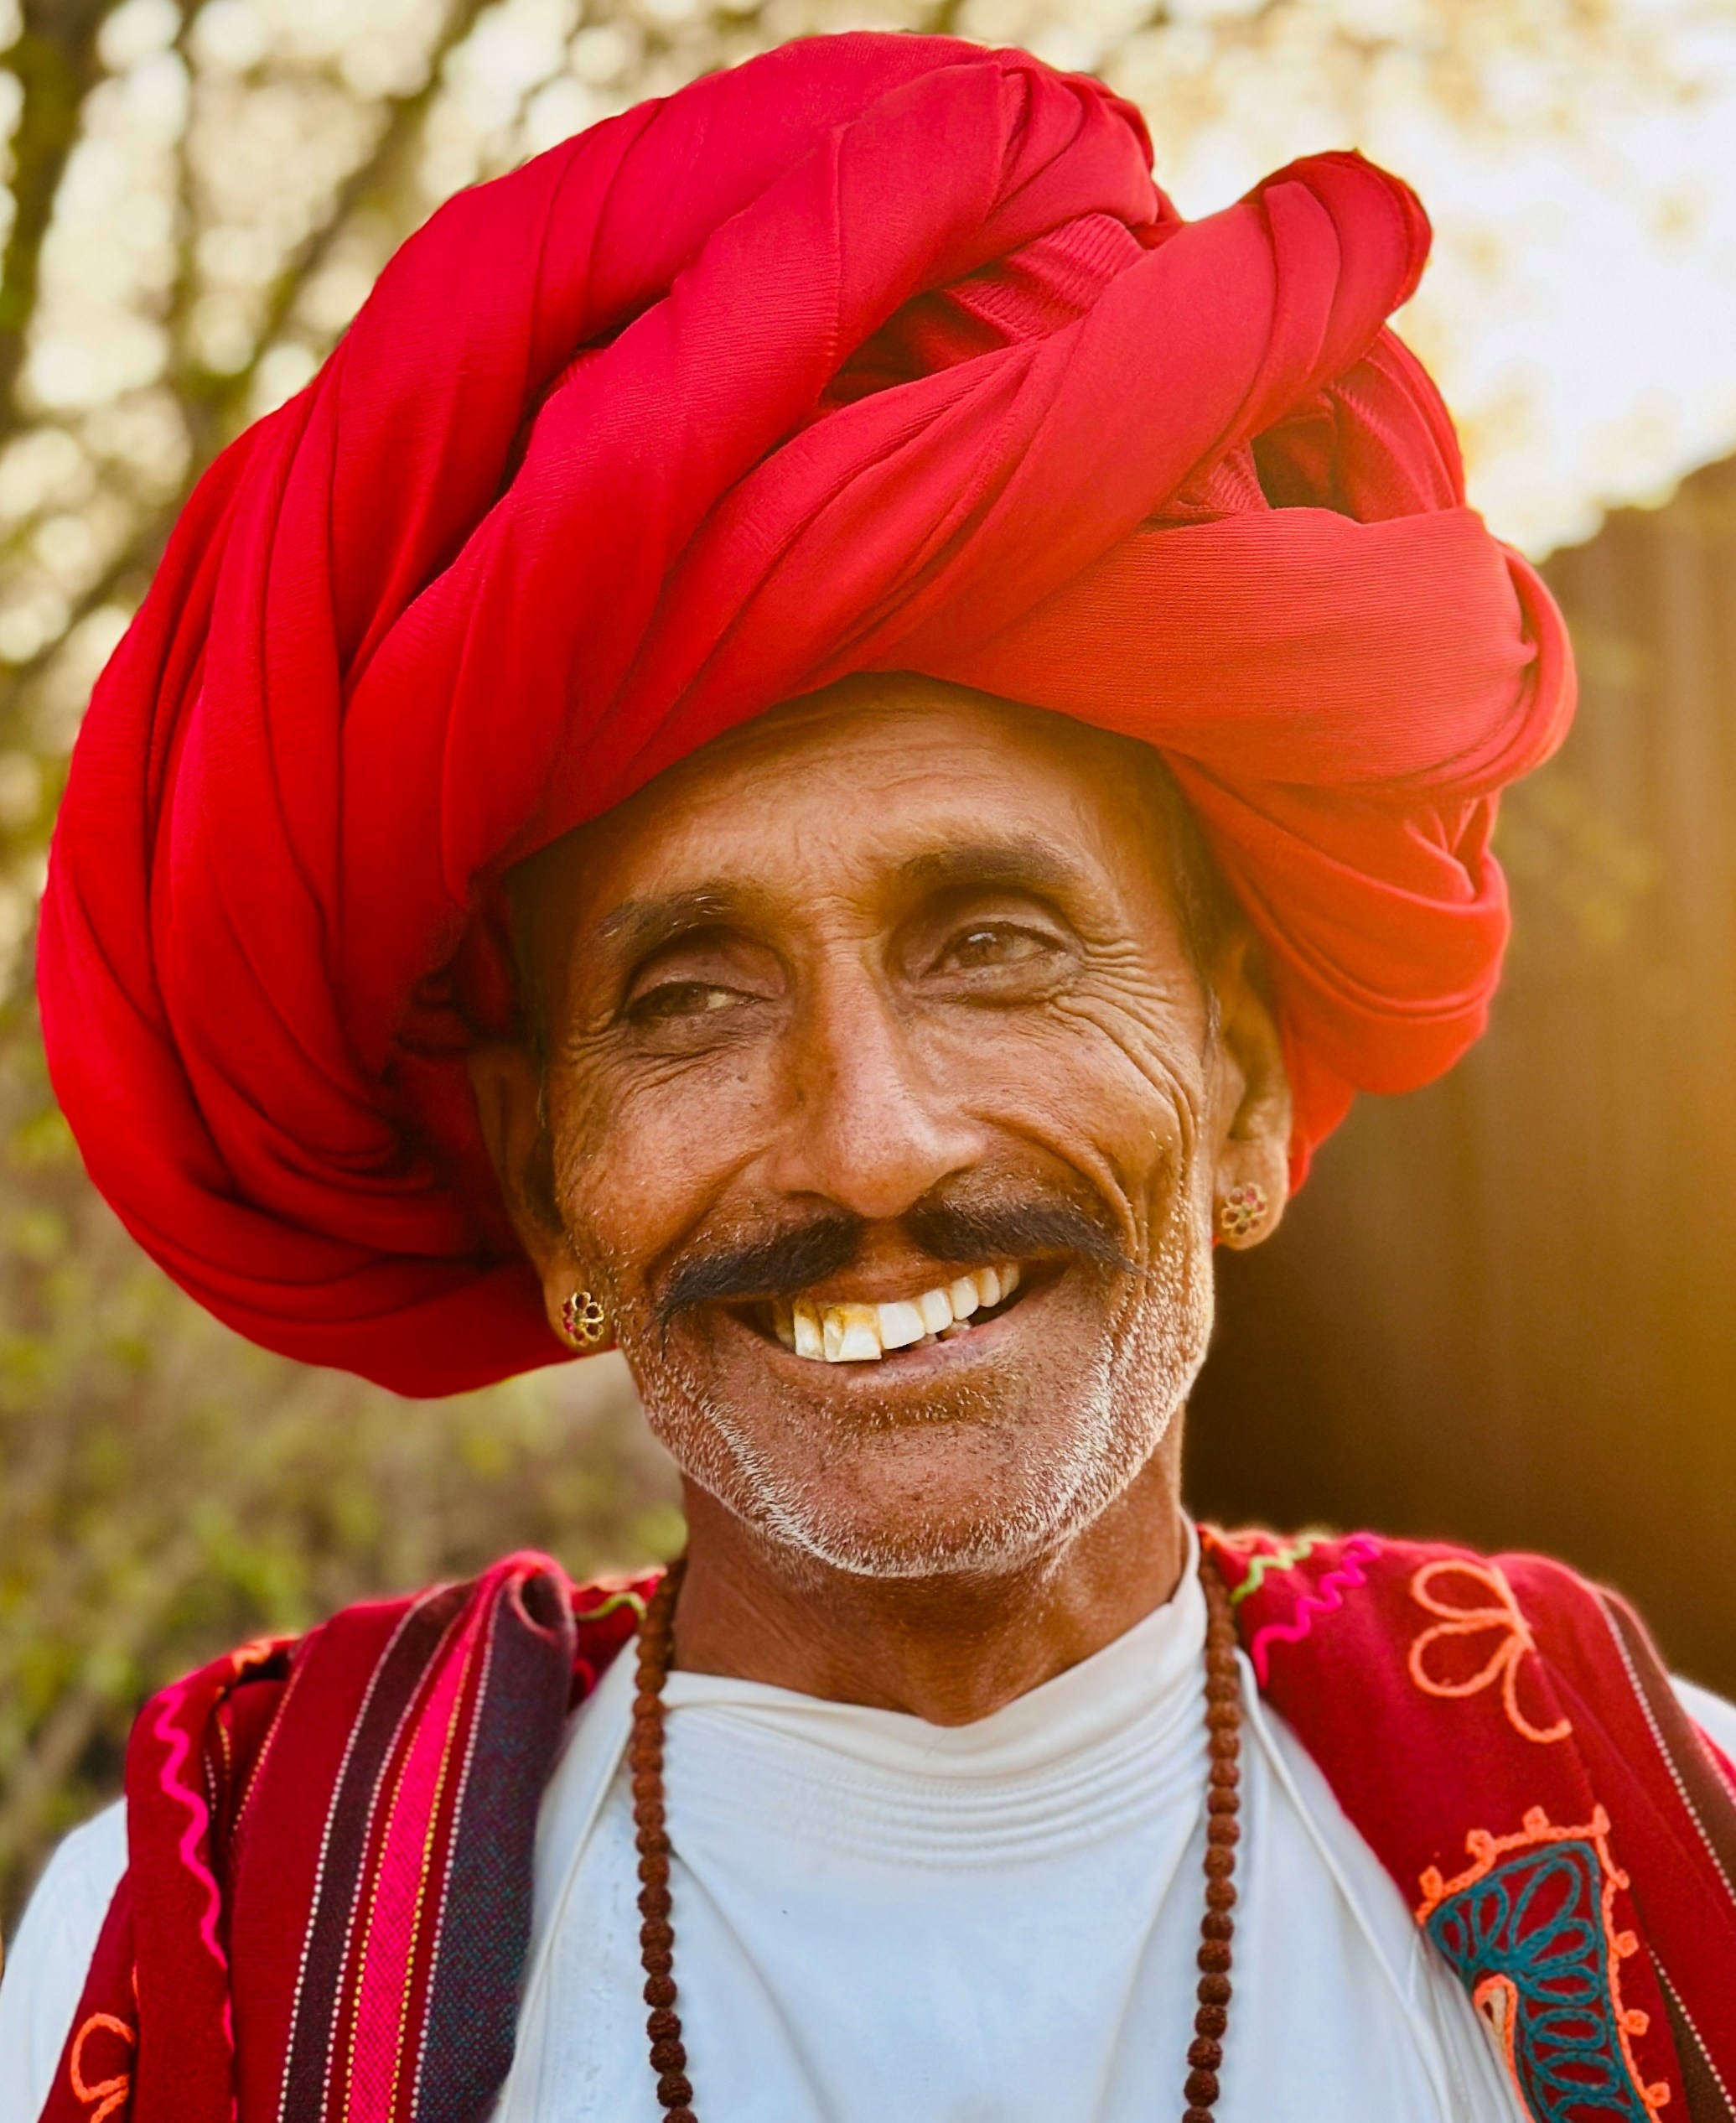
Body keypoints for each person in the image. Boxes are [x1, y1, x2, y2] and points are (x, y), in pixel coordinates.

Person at [3, 30, 1733, 2123]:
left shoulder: (1674, 1845)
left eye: (992, 948)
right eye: (689, 996)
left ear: (1250, 1088)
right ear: (550, 1186)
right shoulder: (207, 1933)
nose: (873, 1141)